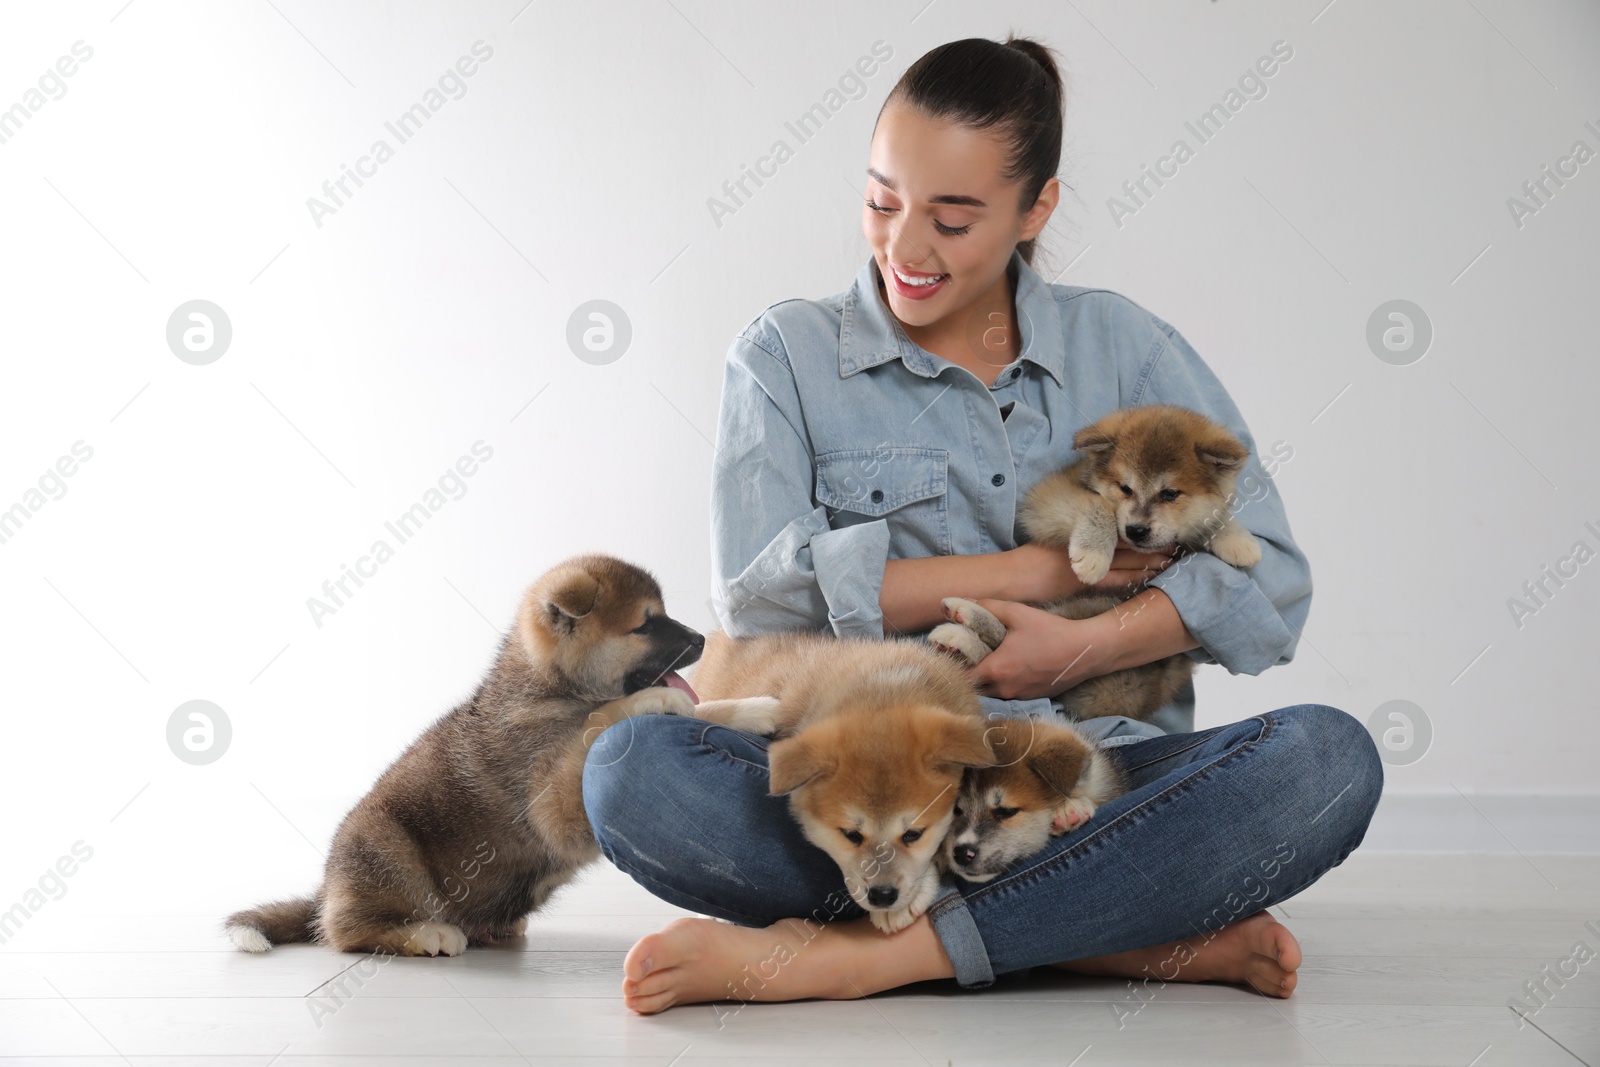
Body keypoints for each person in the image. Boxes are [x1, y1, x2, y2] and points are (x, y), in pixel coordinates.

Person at [583, 35, 1382, 1016]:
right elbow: (755, 588)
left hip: (1084, 779)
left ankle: (870, 955)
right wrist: (1033, 575)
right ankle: (1105, 930)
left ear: (1034, 208)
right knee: (631, 769)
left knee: (1324, 760)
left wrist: (1081, 647)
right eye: (882, 200)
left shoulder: (1126, 347)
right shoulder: (784, 355)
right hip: (866, 789)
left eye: (953, 219)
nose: (904, 248)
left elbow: (1273, 583)